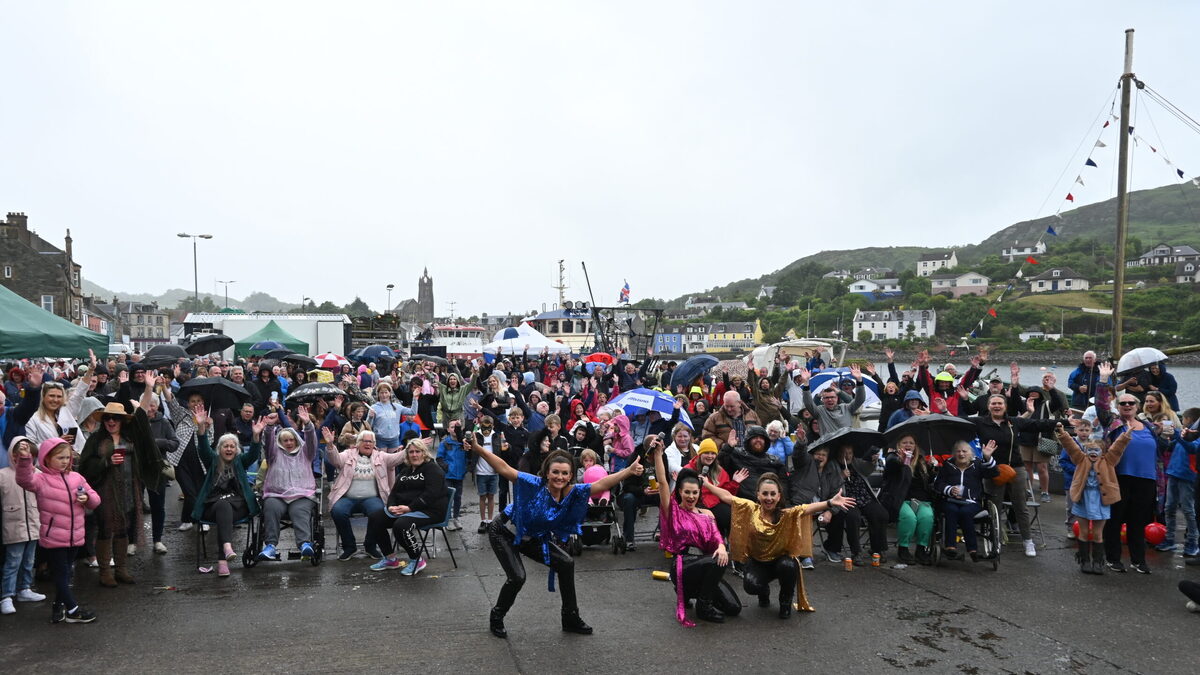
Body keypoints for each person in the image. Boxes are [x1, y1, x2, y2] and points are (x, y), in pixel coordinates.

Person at [471, 434, 645, 639]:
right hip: (505, 532)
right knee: (517, 577)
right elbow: (504, 468)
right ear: (547, 472)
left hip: (534, 536)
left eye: (564, 473)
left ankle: (570, 618)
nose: (559, 477)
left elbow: (602, 484)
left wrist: (629, 471)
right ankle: (497, 616)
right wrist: (479, 449)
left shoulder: (573, 492)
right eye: (555, 472)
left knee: (566, 562)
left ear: (571, 475)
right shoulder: (534, 483)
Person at [702, 472, 853, 618]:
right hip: (758, 562)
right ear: (758, 495)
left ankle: (785, 601)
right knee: (751, 586)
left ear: (779, 496)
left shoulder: (786, 514)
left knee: (788, 566)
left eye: (773, 494)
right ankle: (764, 590)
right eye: (765, 494)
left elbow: (806, 508)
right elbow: (726, 496)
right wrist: (706, 484)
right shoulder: (750, 508)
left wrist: (830, 503)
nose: (769, 498)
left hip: (780, 562)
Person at [651, 443, 739, 626]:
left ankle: (702, 593)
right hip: (683, 566)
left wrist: (722, 546)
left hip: (706, 565)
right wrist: (658, 454)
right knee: (716, 560)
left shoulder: (707, 514)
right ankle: (703, 606)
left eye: (694, 493)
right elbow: (662, 483)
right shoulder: (673, 511)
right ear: (680, 493)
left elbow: (716, 537)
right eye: (687, 492)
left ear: (699, 494)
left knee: (733, 608)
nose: (691, 496)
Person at [78, 400, 164, 587]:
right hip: (104, 490)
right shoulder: (95, 439)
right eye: (107, 418)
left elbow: (145, 437)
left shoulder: (129, 438)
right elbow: (85, 466)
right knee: (106, 528)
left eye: (115, 418)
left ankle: (121, 569)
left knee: (123, 528)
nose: (111, 421)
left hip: (128, 488)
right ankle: (105, 572)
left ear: (122, 421)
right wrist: (106, 462)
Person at [14, 438, 100, 624]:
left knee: (67, 573)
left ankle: (58, 607)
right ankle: (73, 610)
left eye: (67, 457)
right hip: (54, 538)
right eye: (60, 457)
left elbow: (95, 498)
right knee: (61, 574)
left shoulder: (76, 477)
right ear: (46, 458)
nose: (64, 461)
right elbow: (23, 479)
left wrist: (88, 499)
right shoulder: (41, 479)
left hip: (76, 536)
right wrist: (24, 459)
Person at [970, 392, 1059, 558]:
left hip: (1016, 468)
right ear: (988, 406)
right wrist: (942, 412)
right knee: (993, 506)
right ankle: (995, 539)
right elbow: (958, 422)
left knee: (1020, 506)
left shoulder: (1014, 422)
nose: (996, 406)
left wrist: (1064, 422)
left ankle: (1028, 540)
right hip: (992, 468)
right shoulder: (979, 422)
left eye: (1000, 403)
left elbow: (1038, 424)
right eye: (993, 403)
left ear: (1005, 406)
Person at [193, 412, 264, 577]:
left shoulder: (240, 461)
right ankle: (226, 550)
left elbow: (254, 454)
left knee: (224, 508)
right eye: (226, 446)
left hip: (239, 506)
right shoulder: (212, 460)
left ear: (236, 449)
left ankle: (223, 559)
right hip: (212, 506)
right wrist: (201, 426)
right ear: (219, 449)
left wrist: (255, 435)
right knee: (223, 507)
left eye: (232, 446)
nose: (229, 449)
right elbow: (203, 448)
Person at [1055, 422, 1131, 574]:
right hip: (1083, 498)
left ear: (1102, 451)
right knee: (1083, 531)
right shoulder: (1081, 459)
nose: (1093, 453)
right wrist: (1062, 433)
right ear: (1085, 451)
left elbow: (1117, 448)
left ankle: (1098, 562)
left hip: (1101, 501)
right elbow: (1070, 446)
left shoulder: (1108, 461)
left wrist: (1125, 435)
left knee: (1097, 533)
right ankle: (1084, 561)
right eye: (1090, 450)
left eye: (1096, 450)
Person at [323, 428, 408, 560]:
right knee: (337, 511)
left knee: (378, 512)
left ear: (374, 444)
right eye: (364, 441)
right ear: (358, 442)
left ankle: (370, 546)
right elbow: (335, 460)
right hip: (347, 498)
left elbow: (397, 458)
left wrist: (410, 447)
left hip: (372, 498)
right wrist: (330, 445)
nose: (367, 444)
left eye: (370, 441)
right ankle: (349, 546)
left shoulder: (381, 456)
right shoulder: (348, 454)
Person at [366, 438, 448, 576]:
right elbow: (394, 492)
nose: (414, 455)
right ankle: (390, 558)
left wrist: (409, 508)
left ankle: (417, 559)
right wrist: (391, 506)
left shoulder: (433, 469)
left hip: (429, 511)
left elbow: (430, 495)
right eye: (411, 452)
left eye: (418, 451)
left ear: (424, 452)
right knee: (375, 517)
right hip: (405, 509)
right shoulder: (406, 470)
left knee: (401, 525)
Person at [1103, 391, 1163, 575]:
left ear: (1138, 407)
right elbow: (1101, 405)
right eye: (1123, 403)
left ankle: (1138, 560)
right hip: (1120, 477)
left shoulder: (1148, 426)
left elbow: (1161, 449)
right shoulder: (1114, 424)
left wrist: (1173, 436)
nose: (1127, 406)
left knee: (1138, 522)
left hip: (1146, 479)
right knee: (1115, 520)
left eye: (1131, 403)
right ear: (1118, 407)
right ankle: (1113, 559)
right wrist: (1103, 381)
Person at [258, 406, 320, 561]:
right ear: (280, 442)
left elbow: (312, 442)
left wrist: (308, 426)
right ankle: (270, 546)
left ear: (296, 440)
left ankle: (305, 544)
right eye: (285, 440)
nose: (289, 442)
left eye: (291, 439)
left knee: (298, 511)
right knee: (270, 507)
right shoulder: (274, 454)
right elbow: (268, 443)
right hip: (276, 494)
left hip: (301, 494)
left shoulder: (306, 453)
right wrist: (270, 427)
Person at [1, 437, 47, 615]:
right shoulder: (3, 475)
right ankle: (6, 595)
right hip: (13, 527)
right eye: (17, 452)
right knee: (12, 562)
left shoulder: (38, 474)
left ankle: (24, 589)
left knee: (29, 561)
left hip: (34, 525)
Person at [824, 442, 889, 565]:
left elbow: (867, 470)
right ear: (839, 453)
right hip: (846, 499)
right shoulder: (832, 465)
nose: (847, 456)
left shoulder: (855, 461)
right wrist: (841, 476)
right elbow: (828, 485)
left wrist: (873, 462)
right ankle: (856, 552)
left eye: (850, 453)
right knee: (853, 517)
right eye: (844, 453)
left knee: (881, 514)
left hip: (863, 496)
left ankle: (878, 548)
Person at [933, 440, 1000, 561]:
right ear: (954, 453)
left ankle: (973, 550)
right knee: (951, 510)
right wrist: (949, 489)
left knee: (965, 512)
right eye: (958, 451)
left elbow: (994, 473)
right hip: (950, 500)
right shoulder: (948, 465)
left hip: (972, 502)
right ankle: (950, 547)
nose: (961, 454)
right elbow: (938, 484)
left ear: (971, 453)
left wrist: (987, 457)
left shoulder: (977, 464)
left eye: (964, 451)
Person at [882, 433, 937, 565]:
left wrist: (933, 468)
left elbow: (929, 482)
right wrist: (902, 462)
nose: (908, 445)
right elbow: (890, 465)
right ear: (898, 445)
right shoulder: (893, 458)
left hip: (920, 499)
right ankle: (903, 548)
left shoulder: (922, 461)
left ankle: (921, 549)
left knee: (927, 517)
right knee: (909, 518)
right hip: (900, 499)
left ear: (915, 446)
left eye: (911, 443)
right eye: (904, 442)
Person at [1159, 407, 1199, 556]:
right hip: (1173, 473)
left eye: (1184, 420)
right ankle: (1169, 539)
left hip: (1187, 477)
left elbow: (1192, 449)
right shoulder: (1183, 434)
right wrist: (1169, 434)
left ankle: (1192, 542)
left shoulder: (1195, 436)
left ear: (1190, 420)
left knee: (1188, 510)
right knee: (1169, 508)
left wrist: (1179, 435)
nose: (1182, 422)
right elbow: (1172, 445)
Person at [685, 439, 745, 536]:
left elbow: (726, 493)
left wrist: (734, 483)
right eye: (706, 453)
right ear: (700, 454)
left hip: (715, 503)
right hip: (695, 503)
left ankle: (727, 543)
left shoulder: (719, 471)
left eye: (713, 453)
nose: (710, 456)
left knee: (730, 515)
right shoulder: (688, 469)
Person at [799, 364, 866, 436]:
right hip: (828, 444)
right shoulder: (820, 411)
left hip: (846, 444)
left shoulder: (846, 408)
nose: (830, 399)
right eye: (826, 398)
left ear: (837, 398)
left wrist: (859, 380)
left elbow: (860, 399)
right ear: (823, 400)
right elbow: (808, 403)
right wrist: (806, 383)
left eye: (832, 397)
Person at [471, 414, 507, 533]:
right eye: (483, 427)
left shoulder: (496, 436)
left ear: (493, 426)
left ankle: (490, 520)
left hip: (493, 471)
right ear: (480, 426)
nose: (486, 430)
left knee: (491, 496)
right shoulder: (476, 436)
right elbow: (467, 446)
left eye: (488, 427)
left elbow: (503, 450)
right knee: (482, 496)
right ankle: (483, 520)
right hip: (481, 471)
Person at [437, 420, 468, 531]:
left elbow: (468, 456)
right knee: (448, 497)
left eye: (456, 427)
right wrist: (446, 467)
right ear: (448, 429)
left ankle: (456, 518)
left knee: (458, 498)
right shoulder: (445, 443)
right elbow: (439, 458)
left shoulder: (463, 442)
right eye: (452, 427)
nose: (454, 429)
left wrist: (466, 468)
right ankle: (448, 519)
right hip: (448, 475)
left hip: (460, 475)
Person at [368, 382, 416, 453]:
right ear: (378, 394)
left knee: (393, 462)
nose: (384, 395)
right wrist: (370, 417)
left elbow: (412, 412)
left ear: (389, 393)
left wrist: (415, 398)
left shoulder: (397, 406)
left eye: (386, 392)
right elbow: (368, 426)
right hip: (380, 440)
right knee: (382, 461)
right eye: (381, 393)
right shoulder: (374, 407)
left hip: (394, 440)